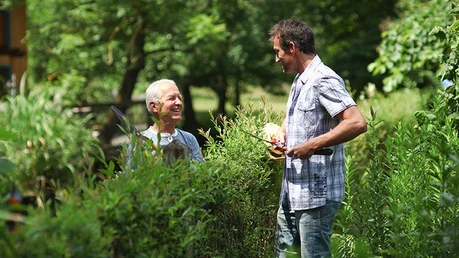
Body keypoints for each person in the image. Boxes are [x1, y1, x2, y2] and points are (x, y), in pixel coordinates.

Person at [269, 18, 367, 257]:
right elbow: (296, 116)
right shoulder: (299, 80)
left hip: (316, 195)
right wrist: (283, 132)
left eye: (278, 51)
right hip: (292, 192)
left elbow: (357, 122)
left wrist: (312, 145)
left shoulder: (323, 78)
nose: (276, 58)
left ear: (292, 48)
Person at [128, 79, 204, 165]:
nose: (179, 102)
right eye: (171, 98)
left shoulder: (189, 139)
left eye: (179, 98)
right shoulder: (139, 143)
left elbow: (200, 174)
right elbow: (131, 177)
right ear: (154, 106)